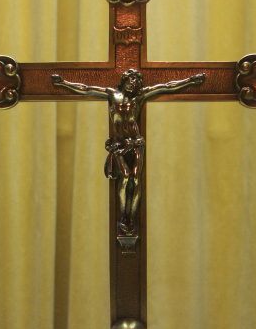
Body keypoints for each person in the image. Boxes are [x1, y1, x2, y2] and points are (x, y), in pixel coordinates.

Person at [52, 69, 205, 235]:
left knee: (136, 179)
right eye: (130, 80)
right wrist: (63, 83)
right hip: (119, 144)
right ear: (124, 80)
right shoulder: (111, 94)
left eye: (136, 82)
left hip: (136, 143)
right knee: (125, 177)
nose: (133, 84)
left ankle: (130, 217)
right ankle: (124, 215)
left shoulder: (139, 96)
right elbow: (86, 88)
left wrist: (190, 80)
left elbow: (167, 87)